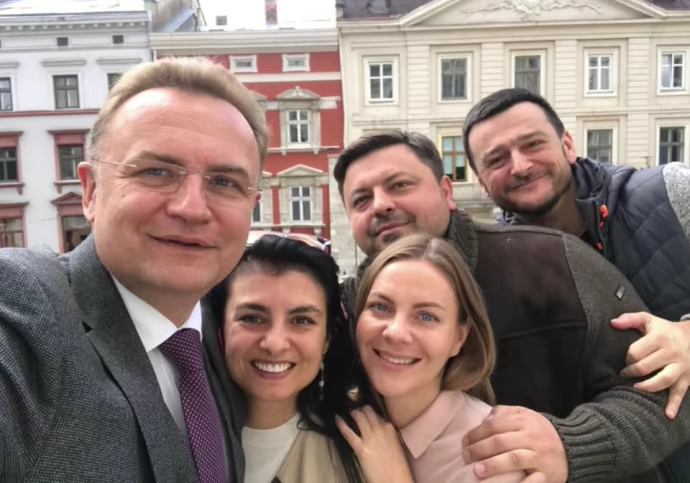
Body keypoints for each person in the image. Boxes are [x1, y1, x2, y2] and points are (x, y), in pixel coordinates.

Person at [333, 130, 690, 482]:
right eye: (361, 200)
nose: (380, 205)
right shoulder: (343, 313)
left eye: (399, 185)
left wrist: (572, 445)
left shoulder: (553, 261)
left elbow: (668, 392)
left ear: (446, 191)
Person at [0, 57, 269, 482]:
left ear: (252, 207)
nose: (192, 208)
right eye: (156, 171)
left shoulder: (223, 338)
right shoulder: (23, 308)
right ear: (91, 191)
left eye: (224, 182)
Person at [462, 87, 690, 481]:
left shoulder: (670, 193)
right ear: (482, 182)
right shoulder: (498, 269)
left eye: (533, 144)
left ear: (568, 145)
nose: (520, 166)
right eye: (496, 159)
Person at [211, 233, 412, 483]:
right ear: (219, 328)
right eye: (252, 318)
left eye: (301, 320)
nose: (275, 344)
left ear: (327, 337)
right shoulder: (177, 431)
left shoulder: (367, 449)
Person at [338, 233, 524, 483]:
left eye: (426, 316)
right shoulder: (338, 423)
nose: (395, 332)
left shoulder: (493, 461)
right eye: (381, 307)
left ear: (459, 338)